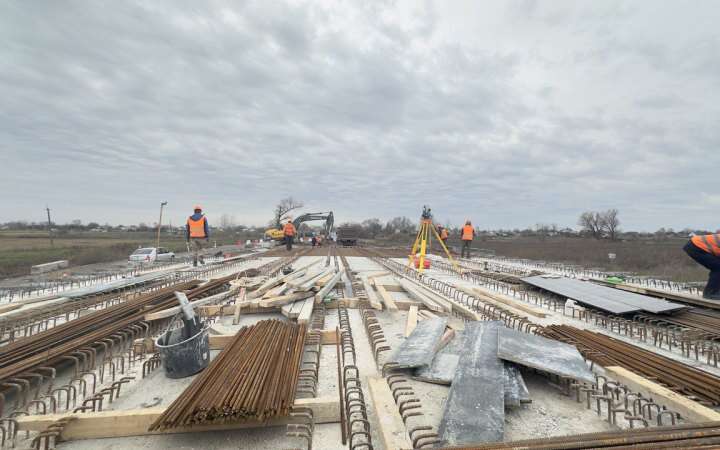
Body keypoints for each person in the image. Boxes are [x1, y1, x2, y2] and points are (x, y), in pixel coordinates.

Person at [684, 233, 720, 300]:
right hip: (696, 247)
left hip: (695, 245)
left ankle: (714, 291)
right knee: (718, 268)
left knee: (717, 267)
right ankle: (710, 293)